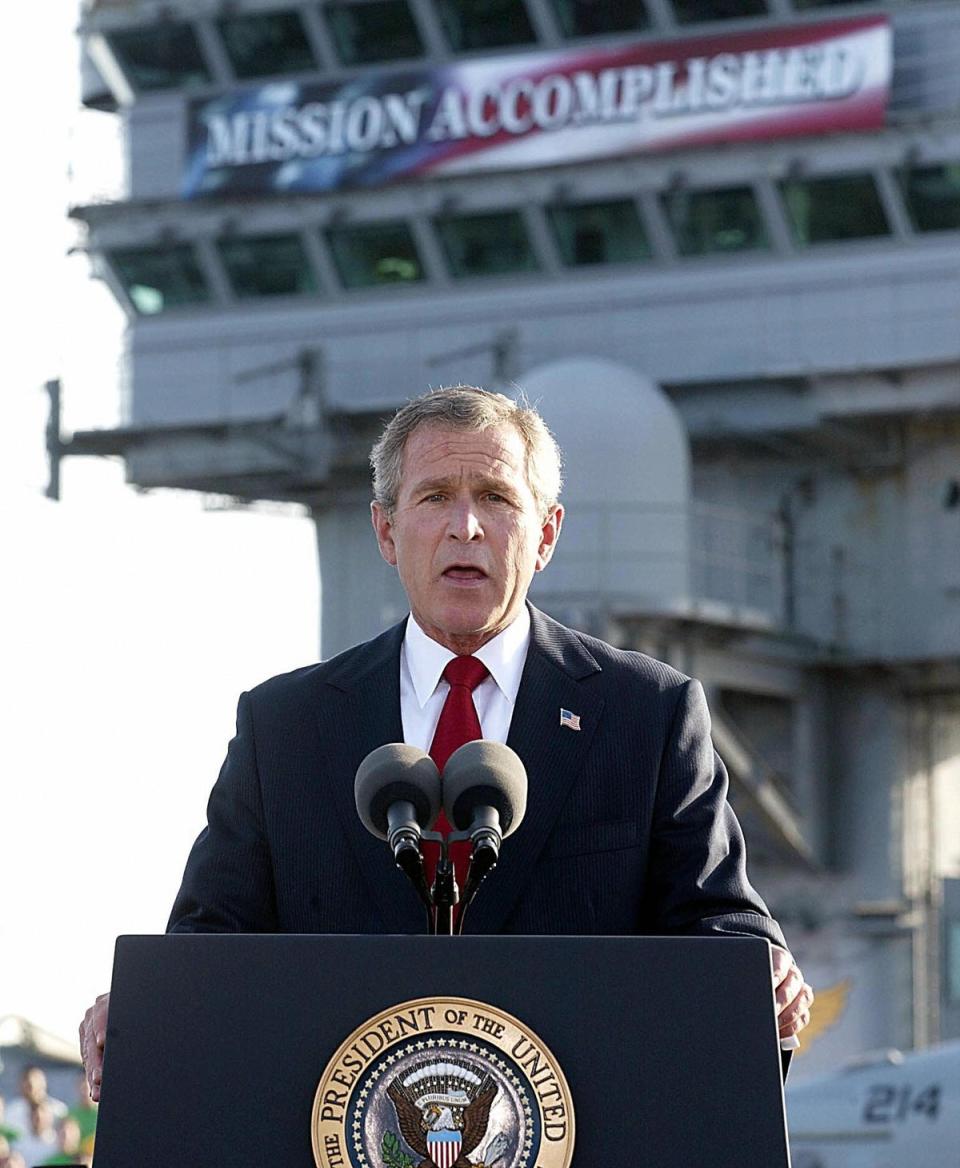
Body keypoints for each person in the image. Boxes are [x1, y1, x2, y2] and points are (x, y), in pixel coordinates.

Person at [81, 385, 813, 1097]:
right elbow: (209, 948)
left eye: (496, 498)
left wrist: (765, 980)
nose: (466, 526)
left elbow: (719, 932)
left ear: (546, 534)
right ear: (387, 532)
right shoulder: (286, 728)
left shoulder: (646, 715)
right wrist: (146, 1012)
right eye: (434, 497)